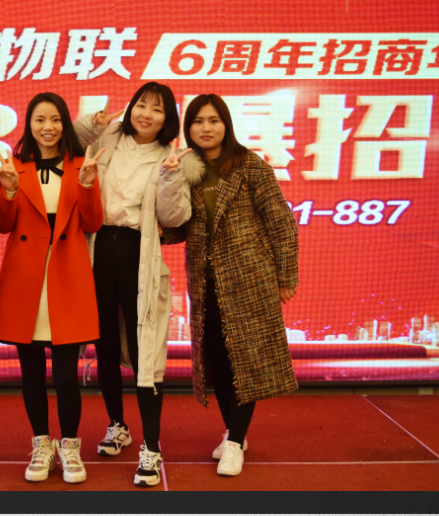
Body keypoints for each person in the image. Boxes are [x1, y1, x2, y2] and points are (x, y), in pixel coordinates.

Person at [161, 93, 299, 477]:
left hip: (249, 279)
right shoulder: (185, 168)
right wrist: (152, 231)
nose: (206, 128)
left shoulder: (250, 166)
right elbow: (180, 226)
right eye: (198, 121)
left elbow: (281, 223)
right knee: (217, 363)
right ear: (188, 128)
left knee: (245, 362)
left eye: (213, 120)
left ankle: (235, 441)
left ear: (226, 124)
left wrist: (286, 276)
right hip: (205, 284)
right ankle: (234, 431)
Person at [0, 93, 120, 484]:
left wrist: (88, 185)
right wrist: (8, 191)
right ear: (29, 125)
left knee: (65, 377)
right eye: (39, 119)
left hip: (67, 277)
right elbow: (3, 225)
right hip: (25, 280)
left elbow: (93, 223)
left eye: (56, 120)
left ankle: (70, 447)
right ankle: (41, 444)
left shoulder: (82, 164)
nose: (48, 127)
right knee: (31, 374)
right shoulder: (15, 166)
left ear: (65, 124)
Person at [85, 82, 192, 487]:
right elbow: (70, 141)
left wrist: (171, 177)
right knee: (104, 347)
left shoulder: (172, 157)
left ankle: (151, 446)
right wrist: (92, 122)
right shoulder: (109, 137)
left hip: (138, 256)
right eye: (141, 105)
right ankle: (117, 425)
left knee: (145, 353)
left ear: (168, 120)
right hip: (98, 253)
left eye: (157, 109)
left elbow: (174, 218)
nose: (146, 114)